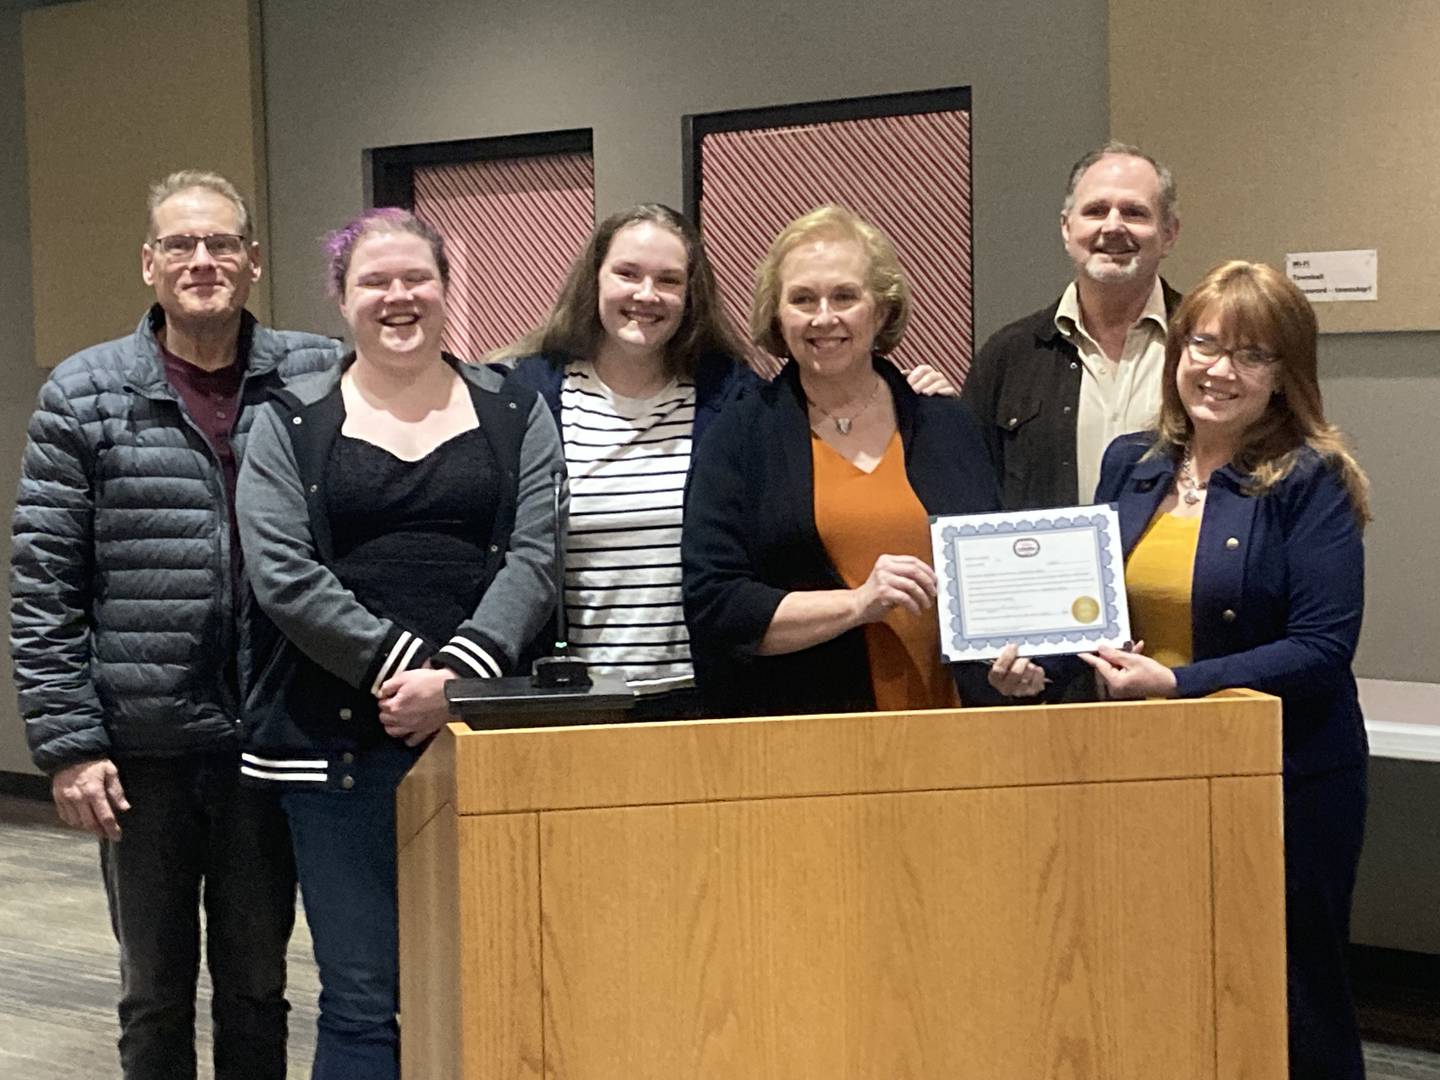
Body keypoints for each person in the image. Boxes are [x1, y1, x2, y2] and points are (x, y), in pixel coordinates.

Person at [997, 260, 1370, 1079]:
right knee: (1158, 981)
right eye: (1203, 343)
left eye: (1251, 354)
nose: (1218, 369)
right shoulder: (1134, 462)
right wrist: (1037, 665)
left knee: (1287, 991)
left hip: (1286, 779)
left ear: (1285, 375)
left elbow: (1320, 647)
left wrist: (1174, 684)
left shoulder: (1312, 479)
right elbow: (1088, 608)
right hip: (1150, 772)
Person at [10, 170, 337, 1079]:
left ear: (254, 260)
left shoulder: (314, 374)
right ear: (149, 264)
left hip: (269, 734)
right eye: (183, 245)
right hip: (142, 747)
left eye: (223, 243)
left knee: (258, 985)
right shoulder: (86, 392)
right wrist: (70, 744)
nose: (204, 261)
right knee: (154, 991)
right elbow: (45, 584)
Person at [235, 208, 562, 1079]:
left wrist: (455, 681)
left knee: (496, 979)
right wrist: (400, 672)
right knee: (360, 994)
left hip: (480, 735)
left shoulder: (516, 411)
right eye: (374, 281)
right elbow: (282, 575)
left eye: (416, 277)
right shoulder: (289, 422)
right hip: (332, 747)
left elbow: (537, 556)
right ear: (341, 300)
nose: (398, 296)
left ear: (449, 291)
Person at [502, 204, 959, 715]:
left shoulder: (729, 399)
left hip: (710, 694)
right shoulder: (526, 397)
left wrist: (921, 402)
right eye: (628, 273)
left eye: (669, 280)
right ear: (594, 280)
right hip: (575, 698)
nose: (647, 294)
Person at [682, 205, 1002, 718]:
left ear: (881, 311)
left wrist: (1020, 662)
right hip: (811, 735)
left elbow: (997, 577)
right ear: (777, 316)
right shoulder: (738, 438)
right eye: (803, 299)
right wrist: (857, 605)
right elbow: (716, 607)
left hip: (956, 724)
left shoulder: (948, 426)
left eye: (846, 297)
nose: (824, 317)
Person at [962, 141, 1183, 510]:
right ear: (1067, 228)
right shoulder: (1009, 356)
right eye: (1096, 211)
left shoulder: (1209, 347)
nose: (1113, 226)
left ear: (1169, 233)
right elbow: (971, 489)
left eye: (1134, 212)